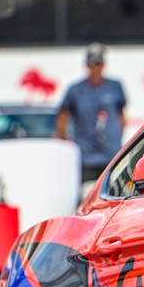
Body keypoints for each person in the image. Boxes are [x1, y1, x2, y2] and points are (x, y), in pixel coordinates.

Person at [56, 42, 127, 184]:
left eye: (98, 64)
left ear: (103, 65)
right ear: (87, 65)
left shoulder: (115, 87)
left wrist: (116, 138)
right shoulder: (75, 90)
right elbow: (62, 117)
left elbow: (121, 116)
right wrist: (66, 144)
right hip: (86, 158)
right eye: (92, 64)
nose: (95, 68)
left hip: (111, 156)